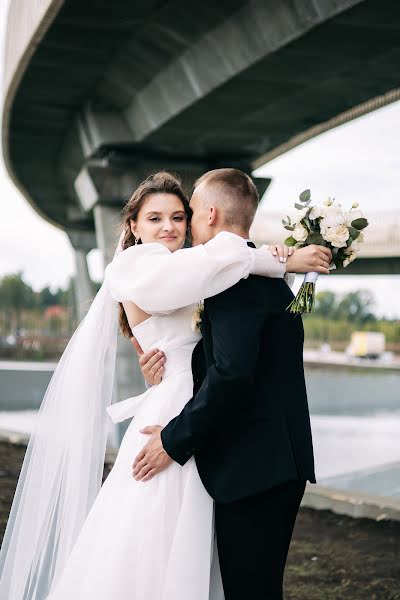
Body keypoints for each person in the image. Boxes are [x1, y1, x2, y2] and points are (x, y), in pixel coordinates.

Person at [0, 170, 330, 600]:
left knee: (215, 555)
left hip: (206, 421)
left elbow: (218, 281)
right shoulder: (139, 265)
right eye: (155, 218)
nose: (171, 227)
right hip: (181, 415)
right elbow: (219, 264)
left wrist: (276, 258)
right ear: (133, 226)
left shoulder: (205, 269)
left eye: (179, 216)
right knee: (160, 545)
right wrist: (282, 258)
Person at [132, 168, 332, 599]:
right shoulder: (272, 280)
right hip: (278, 460)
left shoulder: (235, 281)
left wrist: (173, 440)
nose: (179, 226)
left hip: (252, 466)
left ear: (209, 213)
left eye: (185, 214)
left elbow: (233, 374)